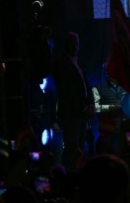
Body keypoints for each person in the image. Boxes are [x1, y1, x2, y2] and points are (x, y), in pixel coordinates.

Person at [52, 31, 95, 169]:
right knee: (72, 148)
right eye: (73, 43)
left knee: (79, 148)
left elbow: (85, 86)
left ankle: (76, 174)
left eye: (77, 43)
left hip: (81, 114)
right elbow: (67, 91)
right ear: (67, 45)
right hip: (71, 114)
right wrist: (84, 107)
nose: (75, 46)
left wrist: (90, 104)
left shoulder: (79, 64)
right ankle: (69, 177)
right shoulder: (62, 64)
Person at [92, 62, 127, 154]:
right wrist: (110, 108)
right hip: (108, 130)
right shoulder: (98, 88)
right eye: (107, 70)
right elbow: (96, 108)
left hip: (124, 130)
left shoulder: (124, 88)